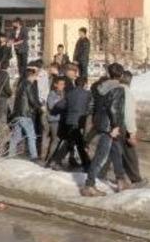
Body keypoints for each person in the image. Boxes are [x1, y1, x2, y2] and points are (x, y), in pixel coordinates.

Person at [81, 63, 128, 196]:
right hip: (110, 126)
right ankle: (89, 185)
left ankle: (120, 181)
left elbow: (93, 105)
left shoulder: (100, 87)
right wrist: (115, 126)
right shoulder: (118, 89)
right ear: (121, 75)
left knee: (116, 152)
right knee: (101, 156)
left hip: (102, 123)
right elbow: (114, 109)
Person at [47, 75, 92, 171]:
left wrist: (54, 110)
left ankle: (55, 161)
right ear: (85, 84)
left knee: (71, 142)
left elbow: (60, 105)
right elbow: (91, 106)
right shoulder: (87, 94)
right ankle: (86, 165)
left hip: (69, 120)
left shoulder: (69, 93)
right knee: (75, 143)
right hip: (79, 121)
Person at [120, 71, 145, 187]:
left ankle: (98, 175)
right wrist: (132, 133)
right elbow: (128, 114)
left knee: (112, 152)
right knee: (130, 154)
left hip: (112, 125)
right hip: (123, 126)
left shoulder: (114, 89)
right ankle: (136, 179)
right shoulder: (126, 93)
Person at [43, 76, 66, 162]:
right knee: (55, 139)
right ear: (55, 85)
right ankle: (49, 158)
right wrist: (61, 102)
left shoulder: (64, 94)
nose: (62, 86)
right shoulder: (52, 94)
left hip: (62, 120)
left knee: (59, 140)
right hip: (54, 120)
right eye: (61, 84)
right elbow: (51, 106)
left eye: (63, 84)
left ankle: (56, 158)